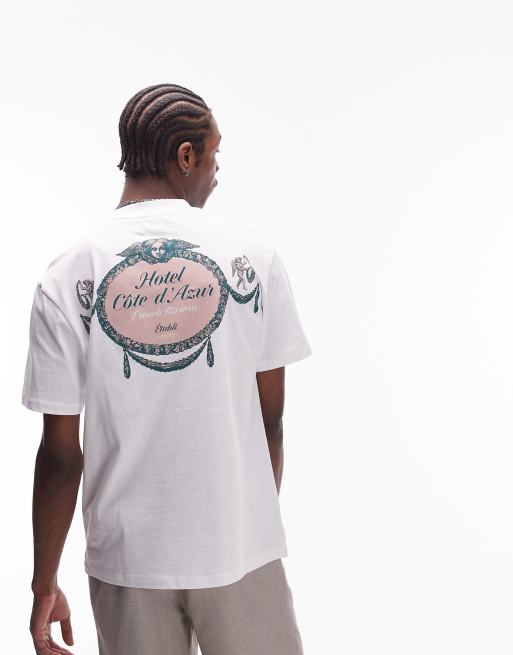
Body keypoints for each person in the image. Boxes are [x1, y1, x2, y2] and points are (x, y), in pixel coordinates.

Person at [22, 83, 313, 655]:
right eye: (214, 154)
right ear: (185, 156)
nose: (216, 170)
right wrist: (241, 524)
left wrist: (43, 583)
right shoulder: (252, 257)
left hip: (127, 562)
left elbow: (60, 456)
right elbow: (270, 420)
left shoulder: (69, 274)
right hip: (239, 552)